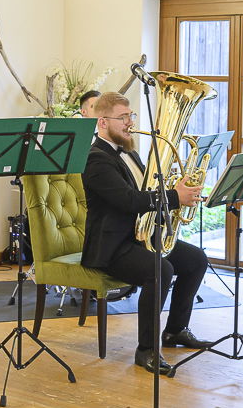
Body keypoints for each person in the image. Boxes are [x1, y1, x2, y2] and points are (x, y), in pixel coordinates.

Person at [81, 92, 211, 373]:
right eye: (123, 117)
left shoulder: (129, 152)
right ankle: (146, 350)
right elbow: (128, 201)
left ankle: (175, 330)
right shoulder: (95, 160)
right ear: (102, 122)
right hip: (112, 245)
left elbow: (146, 192)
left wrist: (175, 189)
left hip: (140, 236)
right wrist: (174, 197)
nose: (130, 122)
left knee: (196, 259)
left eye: (131, 116)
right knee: (160, 269)